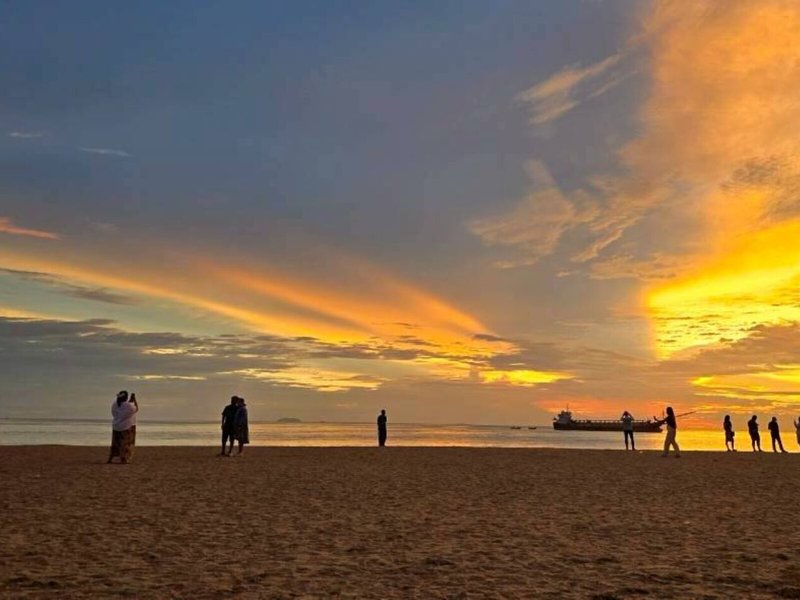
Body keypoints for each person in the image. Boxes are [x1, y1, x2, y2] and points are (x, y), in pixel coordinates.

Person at [107, 390, 138, 464]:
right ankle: (123, 459)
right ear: (126, 397)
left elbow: (121, 409)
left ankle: (111, 458)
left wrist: (130, 402)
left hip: (116, 426)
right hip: (125, 427)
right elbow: (135, 409)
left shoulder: (115, 404)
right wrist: (134, 400)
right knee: (125, 443)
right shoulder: (128, 406)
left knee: (115, 443)